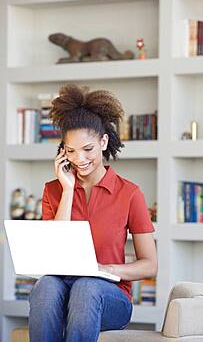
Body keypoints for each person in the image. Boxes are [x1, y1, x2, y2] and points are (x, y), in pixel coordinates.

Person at [28, 84, 157, 342]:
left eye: (87, 149)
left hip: (110, 297)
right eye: (71, 150)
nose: (80, 159)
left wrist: (103, 269)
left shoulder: (129, 193)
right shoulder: (53, 190)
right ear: (63, 150)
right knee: (45, 285)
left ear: (103, 141)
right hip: (61, 292)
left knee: (86, 286)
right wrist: (67, 190)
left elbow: (150, 265)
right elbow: (54, 252)